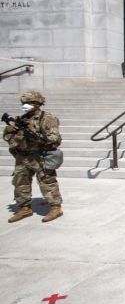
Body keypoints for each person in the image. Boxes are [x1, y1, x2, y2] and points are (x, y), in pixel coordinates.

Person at [3, 91, 64, 223]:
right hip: (23, 157)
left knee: (47, 182)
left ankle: (55, 207)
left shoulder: (47, 118)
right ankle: (24, 208)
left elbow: (55, 139)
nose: (25, 105)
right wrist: (9, 132)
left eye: (28, 103)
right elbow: (10, 139)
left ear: (37, 104)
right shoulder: (22, 119)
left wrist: (35, 137)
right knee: (20, 182)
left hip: (40, 156)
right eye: (23, 103)